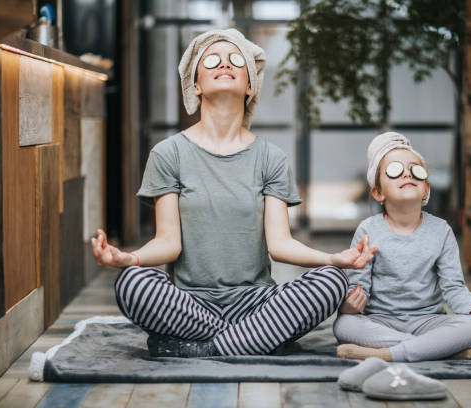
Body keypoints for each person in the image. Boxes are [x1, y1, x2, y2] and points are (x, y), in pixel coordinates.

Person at [91, 28, 377, 358]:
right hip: (189, 305)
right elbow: (169, 242)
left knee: (331, 281)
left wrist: (332, 259)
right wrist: (130, 258)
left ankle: (205, 349)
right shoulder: (168, 154)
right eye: (212, 59)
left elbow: (280, 244)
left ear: (250, 84)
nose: (224, 64)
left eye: (236, 60)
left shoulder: (271, 157)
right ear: (195, 85)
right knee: (132, 284)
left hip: (256, 302)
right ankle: (257, 339)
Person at [333, 132, 471, 362]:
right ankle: (439, 350)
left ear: (426, 189)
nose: (406, 173)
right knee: (344, 325)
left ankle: (387, 354)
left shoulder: (441, 230)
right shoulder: (367, 230)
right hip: (381, 320)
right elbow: (358, 287)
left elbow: (454, 287)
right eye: (394, 170)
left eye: (416, 170)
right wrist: (351, 306)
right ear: (378, 192)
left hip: (428, 321)